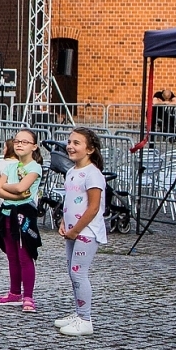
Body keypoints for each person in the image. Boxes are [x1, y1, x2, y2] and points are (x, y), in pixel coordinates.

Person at [54, 127, 106, 336]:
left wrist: (76, 229)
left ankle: (85, 318)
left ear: (90, 149)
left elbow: (93, 207)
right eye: (69, 142)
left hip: (86, 232)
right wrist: (64, 223)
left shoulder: (93, 175)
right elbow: (70, 202)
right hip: (73, 231)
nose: (70, 146)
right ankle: (79, 312)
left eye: (77, 143)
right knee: (72, 273)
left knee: (79, 273)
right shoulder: (71, 172)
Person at [0, 129, 44, 313]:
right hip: (7, 213)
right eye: (17, 141)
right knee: (11, 256)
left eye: (25, 142)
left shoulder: (35, 168)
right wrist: (14, 193)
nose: (19, 144)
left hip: (24, 215)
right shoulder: (9, 166)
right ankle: (14, 292)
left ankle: (28, 295)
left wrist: (10, 189)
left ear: (34, 146)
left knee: (24, 256)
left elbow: (23, 187)